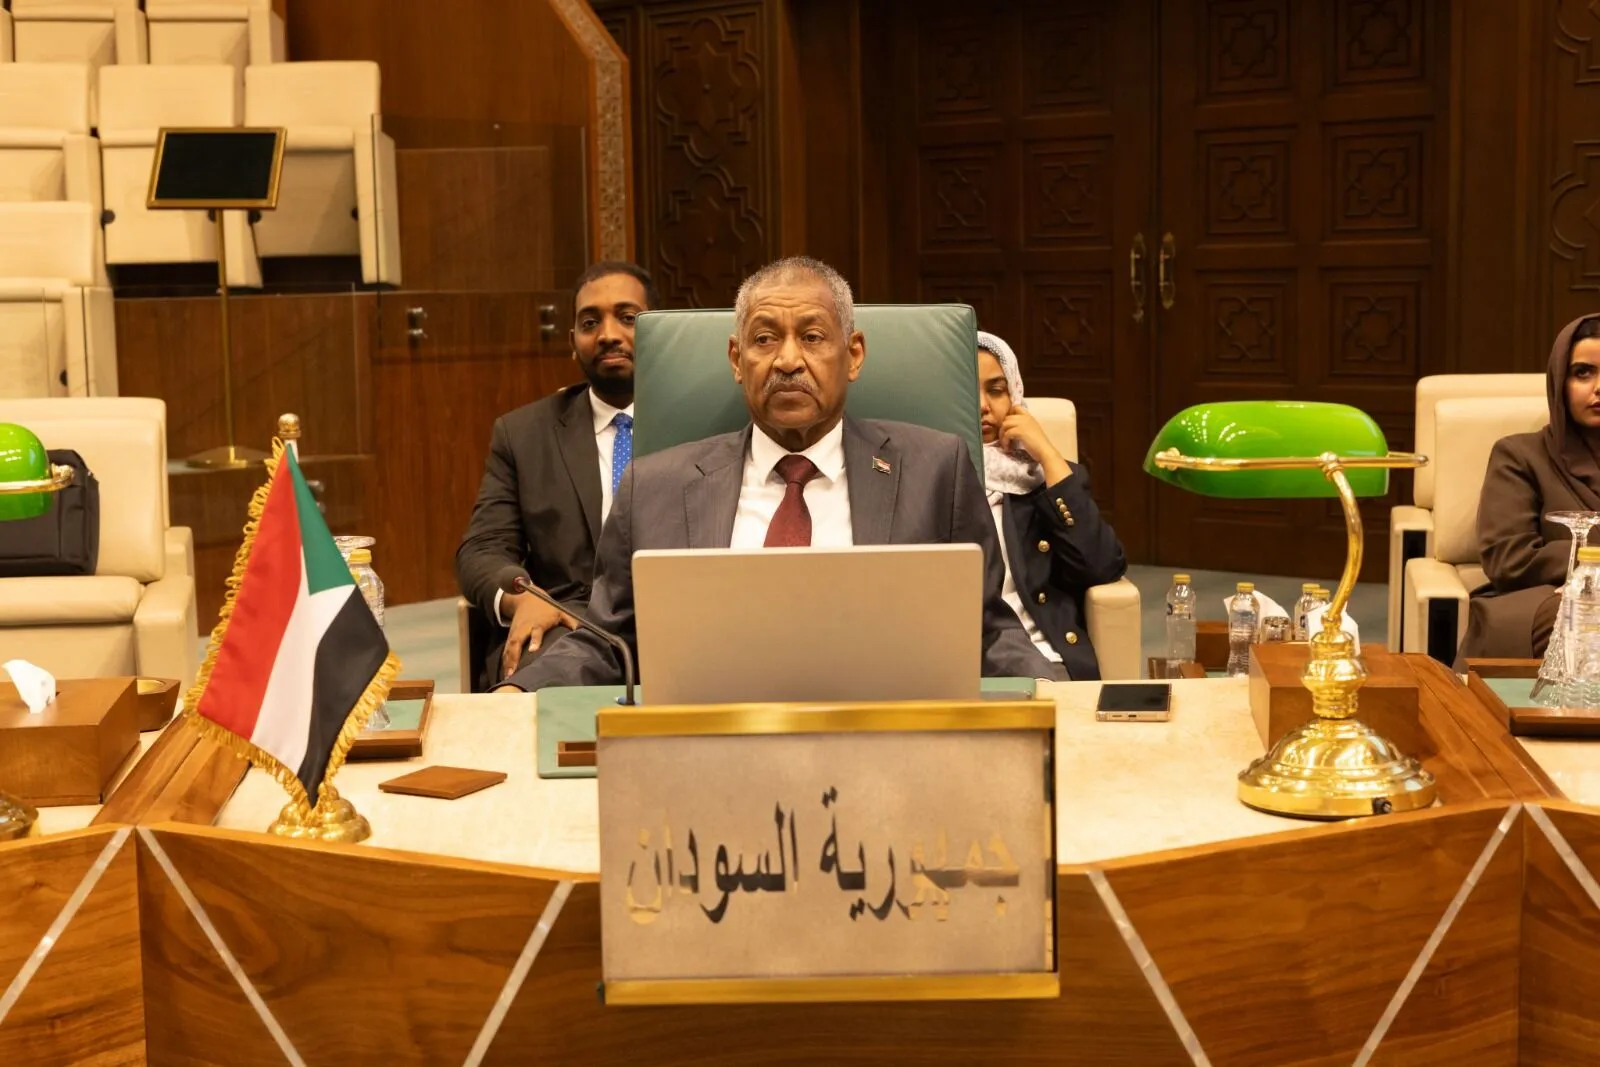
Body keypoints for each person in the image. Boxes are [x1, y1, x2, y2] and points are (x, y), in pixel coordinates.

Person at [502, 255, 1054, 691]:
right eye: (765, 339)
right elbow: (608, 641)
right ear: (736, 360)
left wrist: (1056, 698)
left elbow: (987, 631)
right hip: (710, 744)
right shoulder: (655, 487)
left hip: (885, 738)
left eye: (812, 337)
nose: (788, 360)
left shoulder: (934, 470)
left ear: (853, 355)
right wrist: (517, 694)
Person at [455, 261, 658, 690]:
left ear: (659, 331)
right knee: (528, 688)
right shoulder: (523, 434)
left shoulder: (707, 426)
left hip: (676, 617)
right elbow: (482, 550)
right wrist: (522, 598)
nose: (608, 334)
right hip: (568, 621)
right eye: (590, 322)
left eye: (627, 317)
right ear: (573, 343)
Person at [976, 332, 1126, 680]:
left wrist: (1046, 454)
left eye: (996, 390)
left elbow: (1102, 566)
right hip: (960, 659)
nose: (983, 405)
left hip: (1043, 656)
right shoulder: (926, 474)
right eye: (968, 391)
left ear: (1014, 395)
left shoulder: (1046, 478)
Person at [1461, 313, 1600, 661]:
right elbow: (1509, 558)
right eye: (1583, 372)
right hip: (1541, 599)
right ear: (1559, 381)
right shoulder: (1519, 454)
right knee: (1582, 617)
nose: (1598, 387)